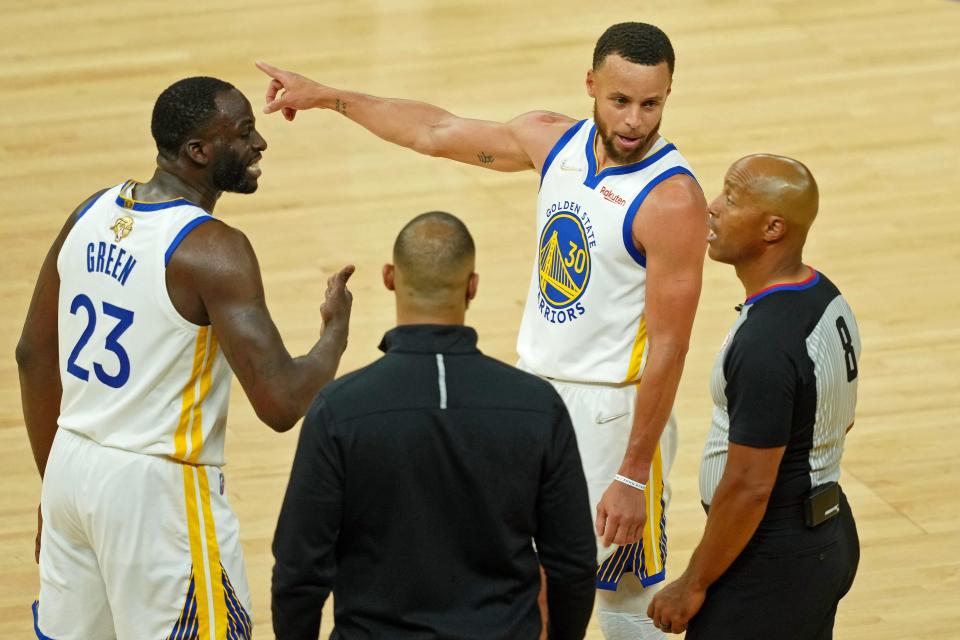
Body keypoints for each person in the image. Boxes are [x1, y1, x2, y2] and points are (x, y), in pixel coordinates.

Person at [257, 21, 706, 638]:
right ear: (591, 86)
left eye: (651, 104)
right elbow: (434, 131)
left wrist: (632, 471)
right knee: (596, 586)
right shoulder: (551, 143)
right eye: (620, 101)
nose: (634, 120)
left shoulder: (673, 200)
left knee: (568, 594)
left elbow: (671, 346)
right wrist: (329, 96)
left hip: (612, 411)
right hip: (540, 393)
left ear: (668, 96)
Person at [16, 76, 354, 640]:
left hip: (70, 466)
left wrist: (54, 486)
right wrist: (335, 335)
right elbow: (281, 402)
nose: (259, 145)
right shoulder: (214, 250)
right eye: (244, 133)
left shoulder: (89, 212)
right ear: (198, 151)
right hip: (158, 493)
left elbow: (32, 355)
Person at [271, 211, 597, 639]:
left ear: (389, 278)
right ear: (473, 287)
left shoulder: (338, 411)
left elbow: (299, 573)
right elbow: (572, 563)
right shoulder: (538, 406)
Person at [648, 154, 861, 637]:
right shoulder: (824, 294)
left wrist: (693, 582)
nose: (713, 208)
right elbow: (838, 417)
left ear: (772, 229)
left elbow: (749, 487)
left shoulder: (767, 345)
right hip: (824, 535)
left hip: (772, 562)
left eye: (732, 199)